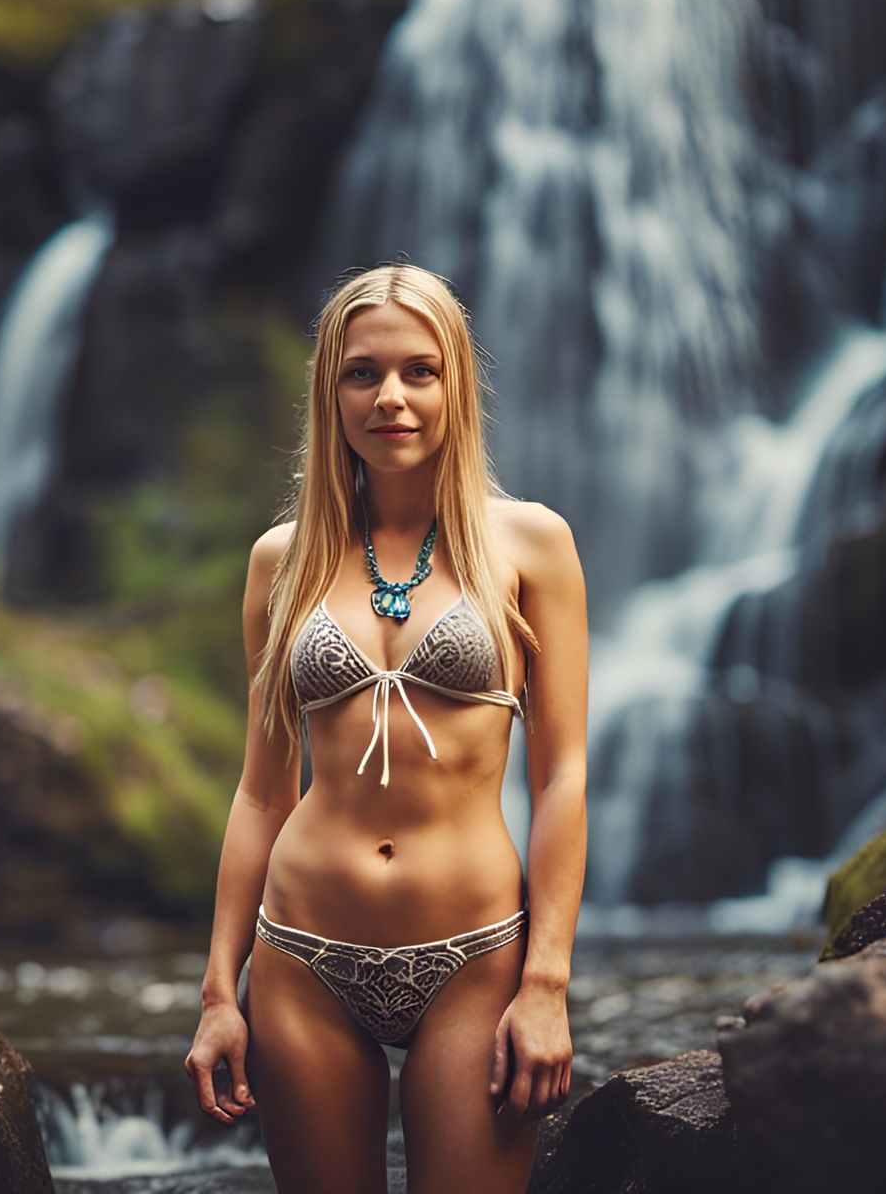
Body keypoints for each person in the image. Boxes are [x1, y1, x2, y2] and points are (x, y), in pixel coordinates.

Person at [184, 262, 589, 1194]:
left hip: (476, 956)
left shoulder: (532, 545)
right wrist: (217, 990)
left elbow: (562, 777)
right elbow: (260, 790)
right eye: (363, 373)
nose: (392, 399)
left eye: (420, 371)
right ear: (332, 390)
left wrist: (547, 982)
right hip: (302, 957)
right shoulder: (279, 561)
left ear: (456, 386)